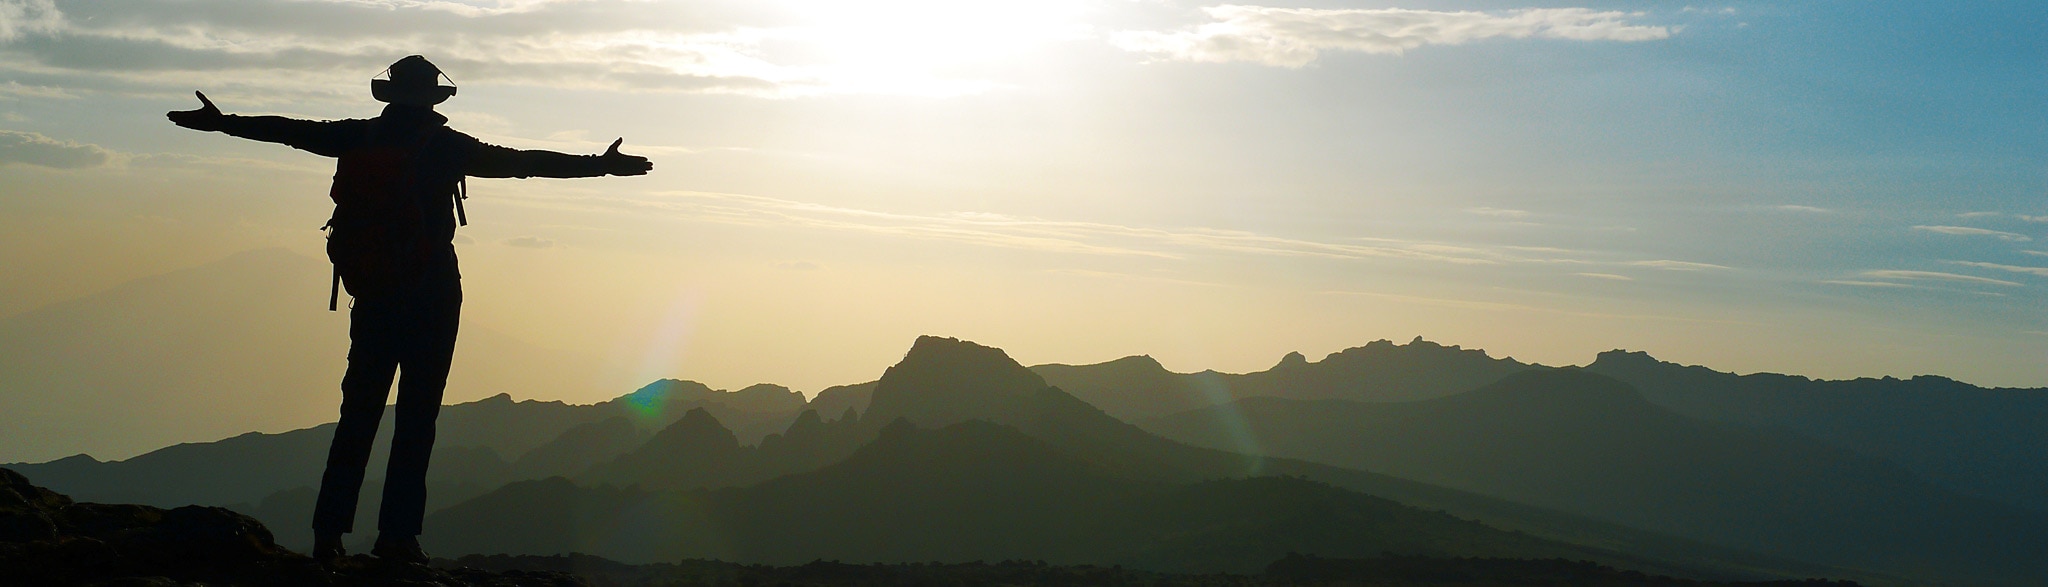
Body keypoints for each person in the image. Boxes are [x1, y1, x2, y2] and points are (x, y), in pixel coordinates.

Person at [165, 55, 652, 563]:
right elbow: (524, 162)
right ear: (434, 98)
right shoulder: (446, 146)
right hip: (432, 291)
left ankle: (328, 536)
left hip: (373, 292)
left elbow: (289, 130)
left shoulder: (356, 136)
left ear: (391, 94)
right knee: (417, 417)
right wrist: (598, 164)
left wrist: (223, 124)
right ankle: (397, 538)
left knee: (358, 413)